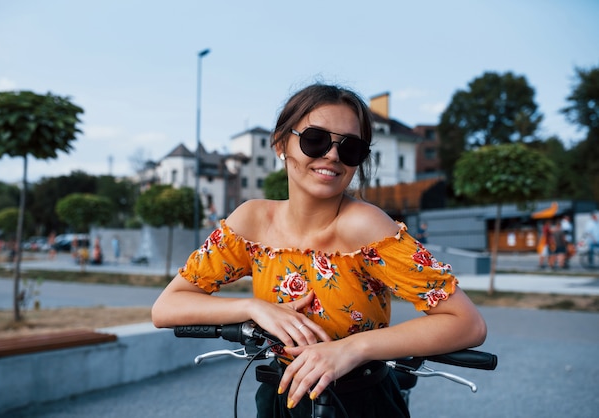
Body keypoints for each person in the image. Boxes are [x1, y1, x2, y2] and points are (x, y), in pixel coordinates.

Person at [152, 83, 487, 417]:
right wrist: (254, 308)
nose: (332, 155)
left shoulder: (368, 227)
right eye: (315, 139)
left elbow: (466, 323)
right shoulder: (252, 221)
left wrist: (352, 349)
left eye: (350, 148)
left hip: (360, 402)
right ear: (281, 143)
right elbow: (167, 307)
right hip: (278, 398)